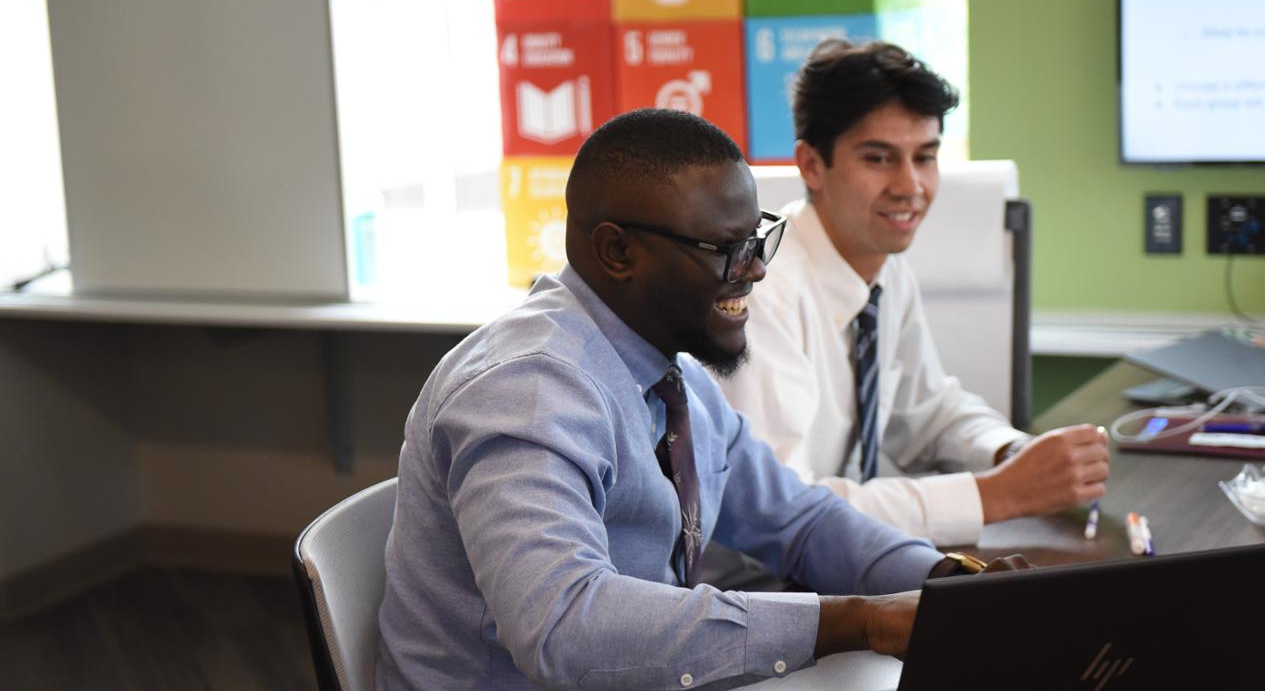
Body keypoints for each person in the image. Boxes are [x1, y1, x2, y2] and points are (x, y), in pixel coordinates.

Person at [375, 108, 1025, 690]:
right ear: (617, 251)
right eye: (724, 249)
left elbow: (799, 520)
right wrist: (856, 620)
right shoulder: (528, 389)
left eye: (757, 238)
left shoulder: (669, 372)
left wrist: (947, 582)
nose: (757, 269)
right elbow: (563, 627)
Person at [718, 40, 1110, 548]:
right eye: (879, 158)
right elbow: (781, 511)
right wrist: (998, 495)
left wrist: (1011, 452)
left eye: (925, 157)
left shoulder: (884, 271)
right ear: (812, 165)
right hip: (757, 595)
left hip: (848, 567)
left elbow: (924, 409)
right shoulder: (760, 294)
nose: (910, 186)